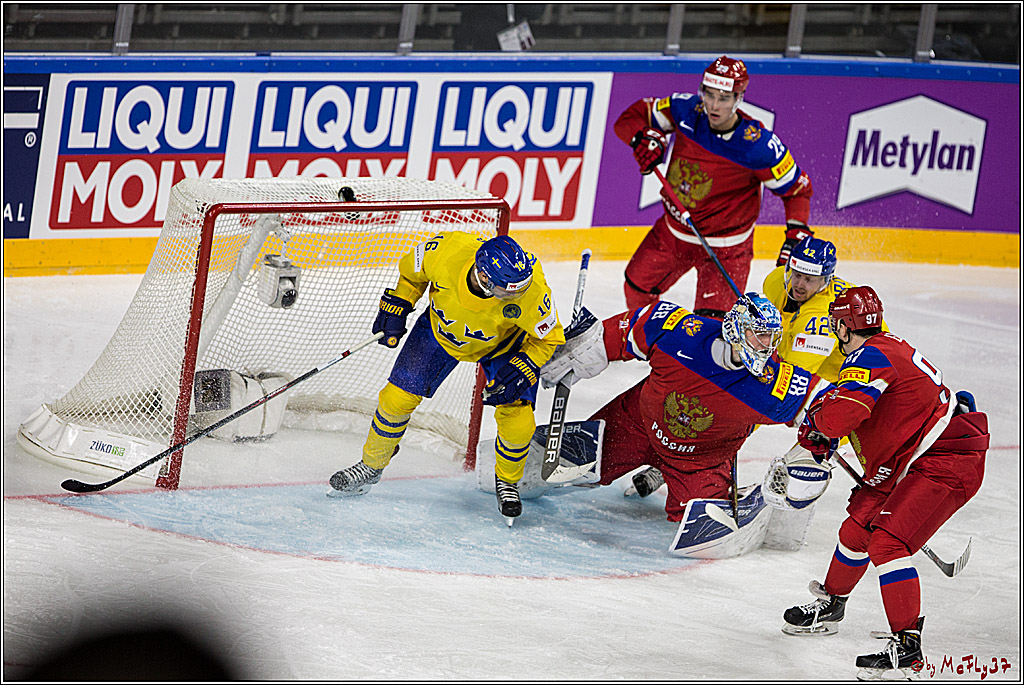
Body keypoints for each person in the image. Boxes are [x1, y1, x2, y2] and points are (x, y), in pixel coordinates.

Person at [782, 286, 989, 680]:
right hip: (912, 457)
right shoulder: (884, 347)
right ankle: (832, 604)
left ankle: (908, 649)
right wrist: (824, 428)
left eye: (836, 325)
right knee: (857, 527)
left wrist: (818, 428)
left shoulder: (868, 356)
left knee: (888, 542)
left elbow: (844, 414)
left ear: (845, 328)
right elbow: (861, 408)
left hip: (944, 459)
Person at [328, 232, 565, 523]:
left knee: (518, 422)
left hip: (503, 345)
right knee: (396, 398)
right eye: (506, 292)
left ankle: (507, 482)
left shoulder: (531, 291)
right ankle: (372, 465)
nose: (516, 296)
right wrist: (399, 303)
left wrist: (526, 364)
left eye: (519, 289)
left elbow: (548, 339)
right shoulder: (446, 251)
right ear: (483, 276)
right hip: (439, 332)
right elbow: (412, 275)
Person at [538, 292, 826, 523]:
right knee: (573, 466)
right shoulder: (679, 329)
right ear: (736, 330)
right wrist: (586, 347)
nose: (766, 346)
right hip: (637, 425)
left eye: (771, 337)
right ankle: (512, 461)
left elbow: (828, 406)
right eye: (758, 335)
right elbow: (622, 334)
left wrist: (816, 451)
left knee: (699, 523)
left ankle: (676, 477)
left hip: (700, 461)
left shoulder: (774, 383)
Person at [615, 55, 814, 317]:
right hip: (673, 233)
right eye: (709, 95)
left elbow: (797, 190)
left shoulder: (757, 145)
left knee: (711, 330)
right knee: (636, 288)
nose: (713, 105)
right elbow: (630, 118)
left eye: (724, 98)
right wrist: (644, 137)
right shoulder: (685, 109)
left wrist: (796, 232)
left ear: (739, 98)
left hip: (727, 249)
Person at [763, 235, 886, 382]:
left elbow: (792, 378)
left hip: (863, 380)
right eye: (797, 274)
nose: (799, 284)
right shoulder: (775, 282)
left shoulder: (825, 316)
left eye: (809, 279)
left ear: (825, 280)